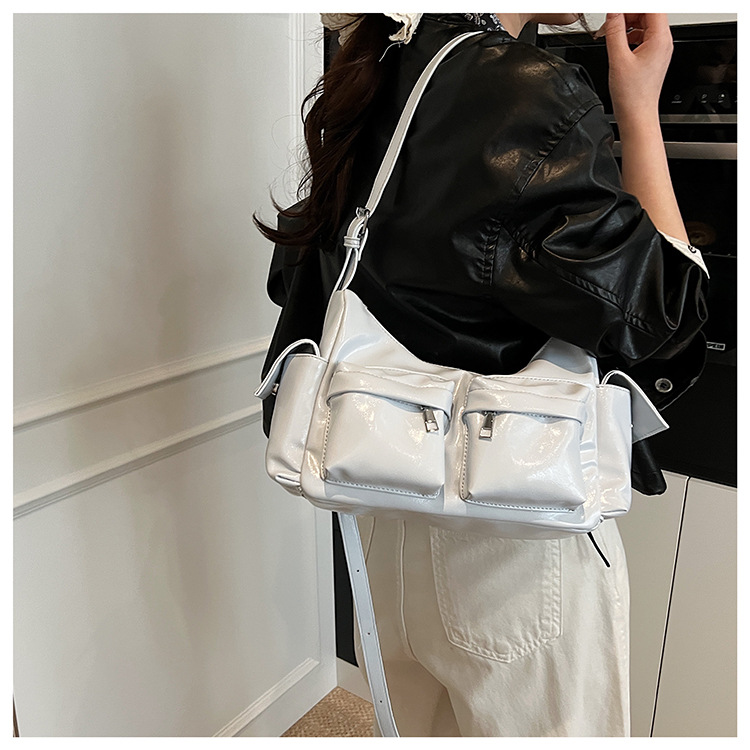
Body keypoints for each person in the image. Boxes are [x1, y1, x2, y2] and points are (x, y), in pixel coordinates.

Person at [255, 12, 708, 737]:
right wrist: (637, 106)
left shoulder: (380, 69)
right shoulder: (532, 91)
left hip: (382, 504)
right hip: (518, 536)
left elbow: (303, 281)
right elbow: (662, 315)